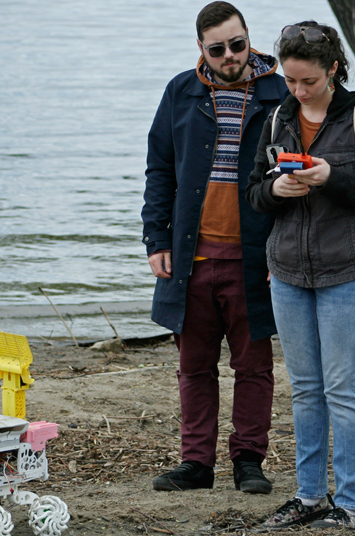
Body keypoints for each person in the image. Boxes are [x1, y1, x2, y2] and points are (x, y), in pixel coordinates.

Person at [246, 21, 355, 530]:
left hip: (348, 273)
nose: (298, 90)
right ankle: (308, 498)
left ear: (332, 69)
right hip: (286, 272)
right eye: (290, 80)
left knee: (341, 389)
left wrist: (331, 177)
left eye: (307, 80)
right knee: (305, 390)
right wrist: (275, 193)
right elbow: (254, 195)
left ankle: (351, 504)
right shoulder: (275, 120)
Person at [141, 2, 288, 493]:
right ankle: (197, 465)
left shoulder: (280, 92)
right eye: (217, 48)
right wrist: (155, 238)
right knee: (193, 367)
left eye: (238, 45)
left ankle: (249, 462)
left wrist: (282, 251)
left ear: (250, 38)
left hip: (256, 255)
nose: (230, 56)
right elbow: (159, 169)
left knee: (254, 366)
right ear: (201, 49)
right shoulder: (181, 90)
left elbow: (295, 173)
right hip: (190, 257)